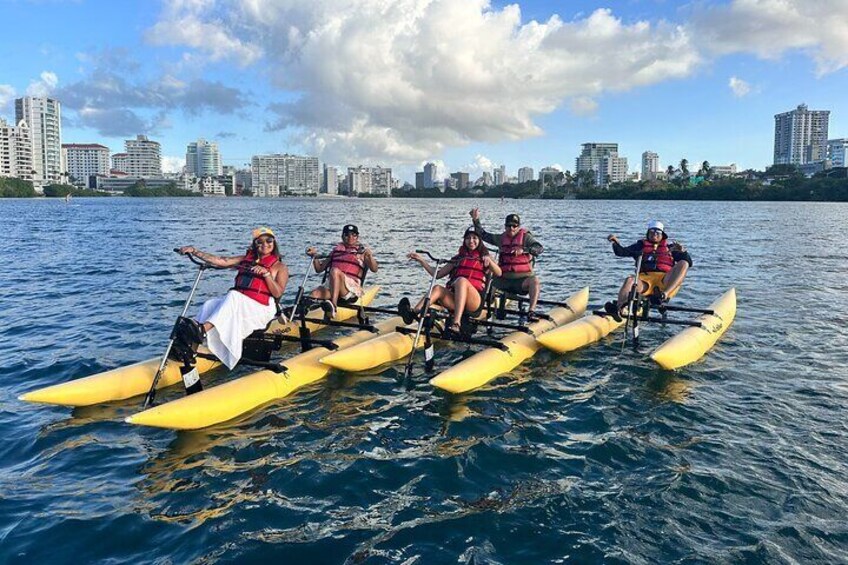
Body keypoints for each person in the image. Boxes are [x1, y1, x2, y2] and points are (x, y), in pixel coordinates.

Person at [177, 227, 289, 369]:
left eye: (269, 240)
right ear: (254, 244)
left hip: (262, 308)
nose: (265, 244)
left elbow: (278, 293)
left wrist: (266, 274)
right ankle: (191, 349)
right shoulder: (246, 259)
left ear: (274, 243)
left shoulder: (280, 267)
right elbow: (221, 261)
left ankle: (202, 330)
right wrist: (194, 251)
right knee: (210, 304)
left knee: (233, 296)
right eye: (259, 241)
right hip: (242, 304)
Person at [399, 226, 502, 334]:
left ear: (479, 240)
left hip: (474, 302)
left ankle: (456, 323)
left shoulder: (485, 257)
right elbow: (437, 274)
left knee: (461, 280)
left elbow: (499, 273)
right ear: (464, 240)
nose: (471, 241)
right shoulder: (458, 258)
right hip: (455, 299)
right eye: (468, 238)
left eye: (474, 238)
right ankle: (414, 312)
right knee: (438, 288)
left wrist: (489, 262)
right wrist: (421, 260)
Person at [604, 220, 692, 322]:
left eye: (658, 232)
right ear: (648, 233)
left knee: (684, 263)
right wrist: (615, 242)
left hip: (664, 281)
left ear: (662, 235)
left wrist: (684, 252)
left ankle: (664, 295)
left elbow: (689, 262)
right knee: (629, 280)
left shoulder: (671, 248)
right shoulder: (640, 246)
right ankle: (619, 309)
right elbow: (621, 252)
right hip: (645, 281)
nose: (654, 234)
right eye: (652, 231)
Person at [470, 208, 544, 320]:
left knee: (535, 281)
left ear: (518, 227)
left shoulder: (526, 238)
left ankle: (531, 311)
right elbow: (483, 235)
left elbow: (539, 248)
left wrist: (525, 250)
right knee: (484, 276)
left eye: (514, 226)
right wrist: (475, 219)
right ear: (505, 227)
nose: (511, 228)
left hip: (522, 281)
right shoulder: (500, 238)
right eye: (509, 226)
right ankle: (475, 307)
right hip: (502, 280)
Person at [306, 224, 378, 318]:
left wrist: (370, 257)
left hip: (349, 289)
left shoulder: (362, 252)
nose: (350, 237)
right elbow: (319, 269)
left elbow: (374, 269)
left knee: (335, 271)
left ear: (357, 237)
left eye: (353, 235)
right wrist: (314, 256)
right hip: (332, 285)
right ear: (342, 236)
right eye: (347, 235)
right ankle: (301, 316)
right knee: (313, 295)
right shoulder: (336, 251)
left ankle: (333, 306)